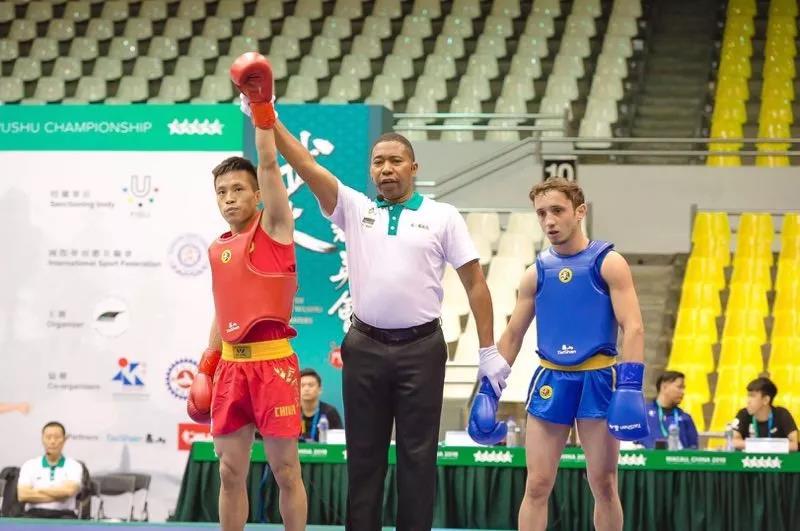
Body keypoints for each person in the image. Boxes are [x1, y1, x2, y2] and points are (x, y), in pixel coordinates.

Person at [240, 71, 507, 530]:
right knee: (363, 458)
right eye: (378, 161)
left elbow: (476, 284)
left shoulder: (443, 216)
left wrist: (488, 351)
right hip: (364, 347)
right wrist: (267, 116)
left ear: (413, 167)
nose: (386, 169)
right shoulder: (354, 208)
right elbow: (306, 166)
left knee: (418, 459)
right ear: (370, 170)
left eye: (396, 161)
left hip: (422, 349)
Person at [186, 53, 306, 531]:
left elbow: (270, 164)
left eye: (238, 189)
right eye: (222, 192)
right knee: (229, 473)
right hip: (232, 368)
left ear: (256, 195)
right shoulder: (218, 248)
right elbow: (224, 311)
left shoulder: (274, 228)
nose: (229, 197)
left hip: (273, 365)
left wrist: (261, 109)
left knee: (286, 472)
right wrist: (207, 363)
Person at [488, 178, 648, 531]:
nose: (549, 221)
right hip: (551, 379)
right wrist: (488, 388)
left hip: (599, 377)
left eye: (557, 210)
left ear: (579, 211)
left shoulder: (609, 263)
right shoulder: (535, 273)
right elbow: (513, 335)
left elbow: (633, 326)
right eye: (541, 213)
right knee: (536, 485)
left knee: (604, 484)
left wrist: (631, 386)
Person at [17, 421, 82, 519]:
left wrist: (38, 490)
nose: (52, 441)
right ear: (42, 439)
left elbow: (68, 492)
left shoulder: (74, 465)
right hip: (33, 515)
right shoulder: (29, 465)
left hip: (65, 516)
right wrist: (59, 496)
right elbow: (23, 495)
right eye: (48, 437)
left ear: (64, 439)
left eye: (57, 437)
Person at [731, 377, 798, 451]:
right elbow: (734, 442)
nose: (748, 401)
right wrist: (766, 446)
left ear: (766, 400)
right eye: (748, 396)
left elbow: (794, 445)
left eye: (752, 396)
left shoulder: (782, 414)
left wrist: (759, 445)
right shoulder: (743, 414)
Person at [638, 370, 699, 449]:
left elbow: (693, 448)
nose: (683, 392)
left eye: (683, 388)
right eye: (679, 387)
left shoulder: (685, 418)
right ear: (664, 387)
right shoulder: (642, 414)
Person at [299, 368, 343, 442]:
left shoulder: (330, 412)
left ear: (320, 389)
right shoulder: (292, 413)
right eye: (302, 385)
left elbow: (339, 442)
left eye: (310, 385)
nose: (306, 389)